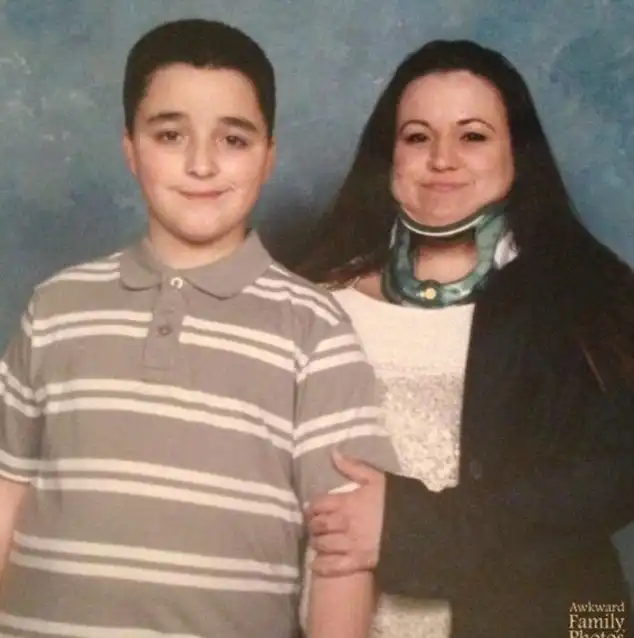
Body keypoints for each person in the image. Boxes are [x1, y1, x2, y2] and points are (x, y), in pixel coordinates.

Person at [0, 19, 399, 638]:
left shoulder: (314, 329)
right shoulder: (56, 306)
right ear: (130, 148)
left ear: (269, 156)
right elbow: (9, 490)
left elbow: (341, 552)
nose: (202, 164)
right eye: (170, 134)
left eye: (233, 139)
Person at [297, 40, 634, 638]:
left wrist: (408, 527)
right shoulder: (313, 298)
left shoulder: (590, 295)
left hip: (561, 621)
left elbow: (610, 478)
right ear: (389, 156)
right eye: (417, 137)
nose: (442, 160)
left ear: (517, 155)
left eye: (473, 136)